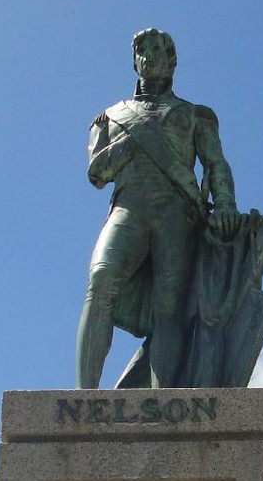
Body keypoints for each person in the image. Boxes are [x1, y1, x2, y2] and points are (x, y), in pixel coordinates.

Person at [76, 28, 239, 388]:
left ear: (172, 60)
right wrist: (130, 141)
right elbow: (97, 173)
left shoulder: (195, 115)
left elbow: (216, 164)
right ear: (134, 62)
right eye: (142, 51)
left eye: (157, 49)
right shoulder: (110, 116)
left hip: (176, 215)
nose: (149, 56)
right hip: (129, 209)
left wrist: (226, 204)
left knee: (169, 308)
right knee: (101, 281)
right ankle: (83, 398)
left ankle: (162, 399)